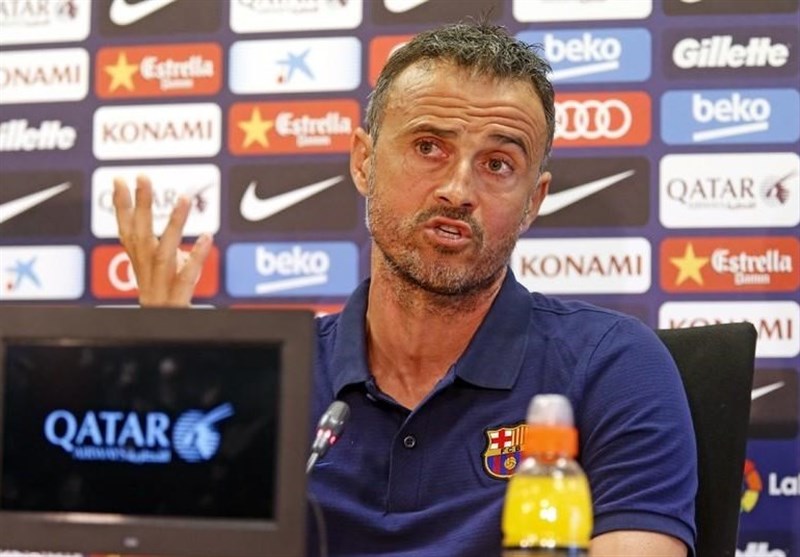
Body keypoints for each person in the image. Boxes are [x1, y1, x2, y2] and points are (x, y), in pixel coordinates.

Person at [113, 22, 697, 557]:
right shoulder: (269, 378)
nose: (457, 190)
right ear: (363, 162)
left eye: (497, 164)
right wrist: (172, 384)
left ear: (533, 201)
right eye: (428, 147)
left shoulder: (613, 365)